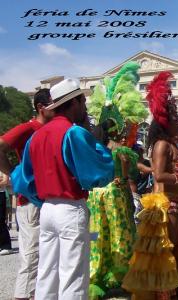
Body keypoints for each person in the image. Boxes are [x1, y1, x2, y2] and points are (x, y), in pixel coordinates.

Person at [11, 78, 115, 300]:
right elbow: (101, 170)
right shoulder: (73, 132)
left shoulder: (37, 136)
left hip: (47, 209)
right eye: (82, 101)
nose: (85, 106)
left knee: (46, 272)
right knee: (73, 276)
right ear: (74, 102)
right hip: (70, 208)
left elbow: (22, 178)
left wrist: (43, 201)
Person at [122, 71, 178, 299]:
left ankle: (172, 290)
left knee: (175, 249)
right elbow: (159, 176)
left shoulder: (171, 145)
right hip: (166, 206)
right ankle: (166, 294)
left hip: (177, 204)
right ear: (166, 121)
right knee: (166, 254)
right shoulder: (162, 145)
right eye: (175, 118)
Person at [86, 62, 148, 299]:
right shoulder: (121, 150)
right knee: (121, 238)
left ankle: (97, 278)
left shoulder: (94, 148)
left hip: (97, 197)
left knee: (99, 238)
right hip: (115, 196)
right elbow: (128, 172)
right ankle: (121, 275)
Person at [0, 88, 53, 299]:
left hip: (45, 200)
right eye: (53, 103)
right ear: (41, 107)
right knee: (31, 255)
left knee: (43, 255)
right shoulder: (28, 128)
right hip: (29, 201)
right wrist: (11, 174)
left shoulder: (51, 129)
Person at [0, 171, 12, 255]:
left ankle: (6, 246)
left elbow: (5, 181)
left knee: (0, 220)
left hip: (1, 194)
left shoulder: (2, 167)